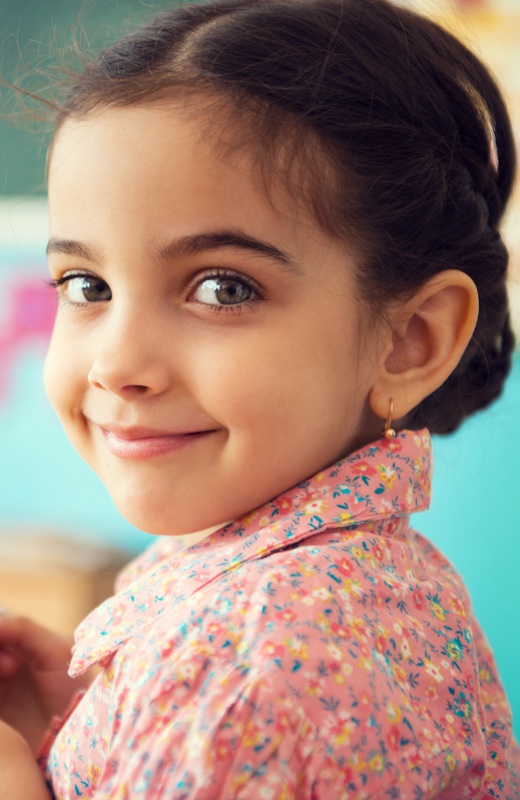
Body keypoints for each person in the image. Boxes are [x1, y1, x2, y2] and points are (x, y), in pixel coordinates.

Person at [0, 0, 518, 796]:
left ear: (409, 338)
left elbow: (251, 712)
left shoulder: (248, 662)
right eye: (87, 284)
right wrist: (89, 730)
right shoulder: (342, 590)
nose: (117, 365)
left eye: (222, 287)